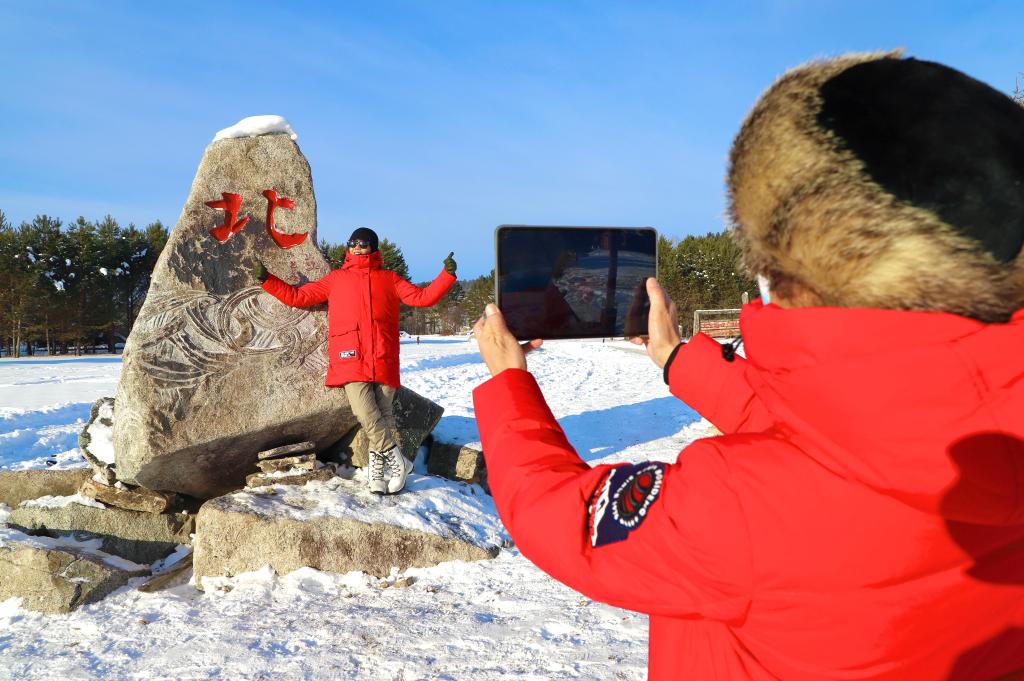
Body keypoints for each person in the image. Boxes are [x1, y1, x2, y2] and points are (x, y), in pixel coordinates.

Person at [471, 53, 1024, 680]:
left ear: (783, 266)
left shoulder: (741, 508)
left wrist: (509, 384)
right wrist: (681, 359)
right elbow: (858, 421)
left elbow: (562, 518)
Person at [255, 227, 457, 494]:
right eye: (352, 243)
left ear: (372, 247)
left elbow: (422, 298)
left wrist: (447, 276)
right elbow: (299, 296)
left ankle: (378, 476)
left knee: (384, 416)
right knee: (365, 412)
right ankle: (396, 459)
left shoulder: (389, 279)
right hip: (350, 356)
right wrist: (266, 279)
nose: (356, 247)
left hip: (383, 355)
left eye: (362, 243)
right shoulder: (336, 279)